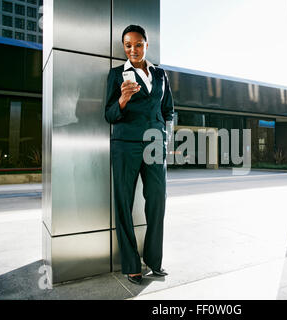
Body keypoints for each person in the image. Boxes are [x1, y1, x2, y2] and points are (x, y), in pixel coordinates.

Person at [104, 24, 174, 285]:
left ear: (146, 44)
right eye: (127, 45)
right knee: (123, 203)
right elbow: (108, 114)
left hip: (155, 145)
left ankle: (154, 260)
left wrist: (165, 135)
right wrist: (122, 99)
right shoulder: (116, 75)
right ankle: (131, 265)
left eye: (137, 44)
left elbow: (168, 109)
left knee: (157, 200)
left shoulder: (161, 74)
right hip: (125, 145)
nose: (132, 49)